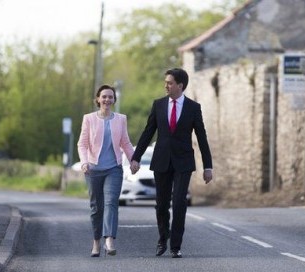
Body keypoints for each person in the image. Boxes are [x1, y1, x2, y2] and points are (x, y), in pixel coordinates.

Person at [130, 68, 213, 258]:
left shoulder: (193, 108)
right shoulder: (158, 105)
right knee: (161, 204)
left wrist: (208, 167)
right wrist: (136, 157)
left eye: (169, 82)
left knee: (179, 203)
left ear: (180, 86)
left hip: (183, 162)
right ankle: (162, 238)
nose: (165, 85)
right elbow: (147, 132)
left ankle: (176, 246)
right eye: (166, 82)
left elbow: (202, 138)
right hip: (161, 161)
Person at [77, 84, 135, 257]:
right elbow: (82, 143)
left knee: (111, 203)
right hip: (93, 169)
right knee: (96, 207)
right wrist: (84, 162)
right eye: (104, 96)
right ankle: (96, 243)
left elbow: (125, 143)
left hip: (113, 169)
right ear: (98, 99)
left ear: (114, 100)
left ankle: (109, 239)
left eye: (110, 97)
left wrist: (133, 160)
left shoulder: (121, 119)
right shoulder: (89, 119)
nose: (107, 100)